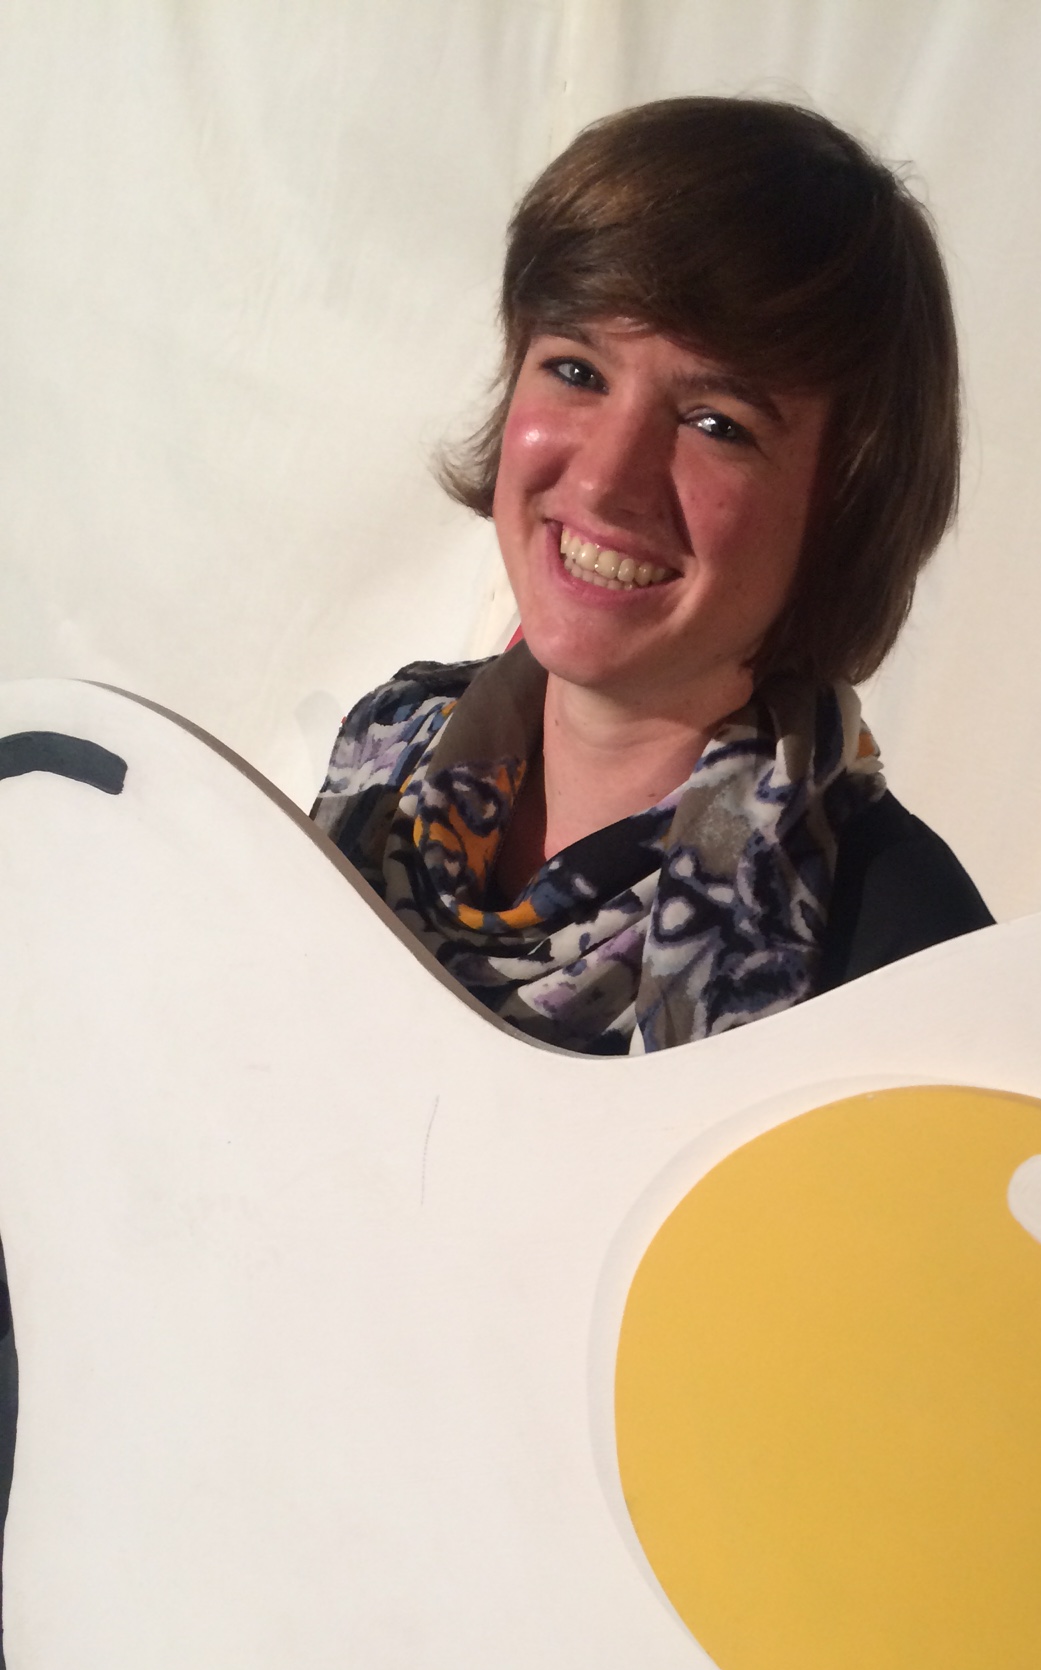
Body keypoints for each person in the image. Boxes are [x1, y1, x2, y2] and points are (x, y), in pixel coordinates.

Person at [312, 95, 991, 1054]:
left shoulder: (907, 957)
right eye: (577, 370)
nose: (604, 479)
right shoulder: (382, 764)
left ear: (846, 512)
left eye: (718, 424)